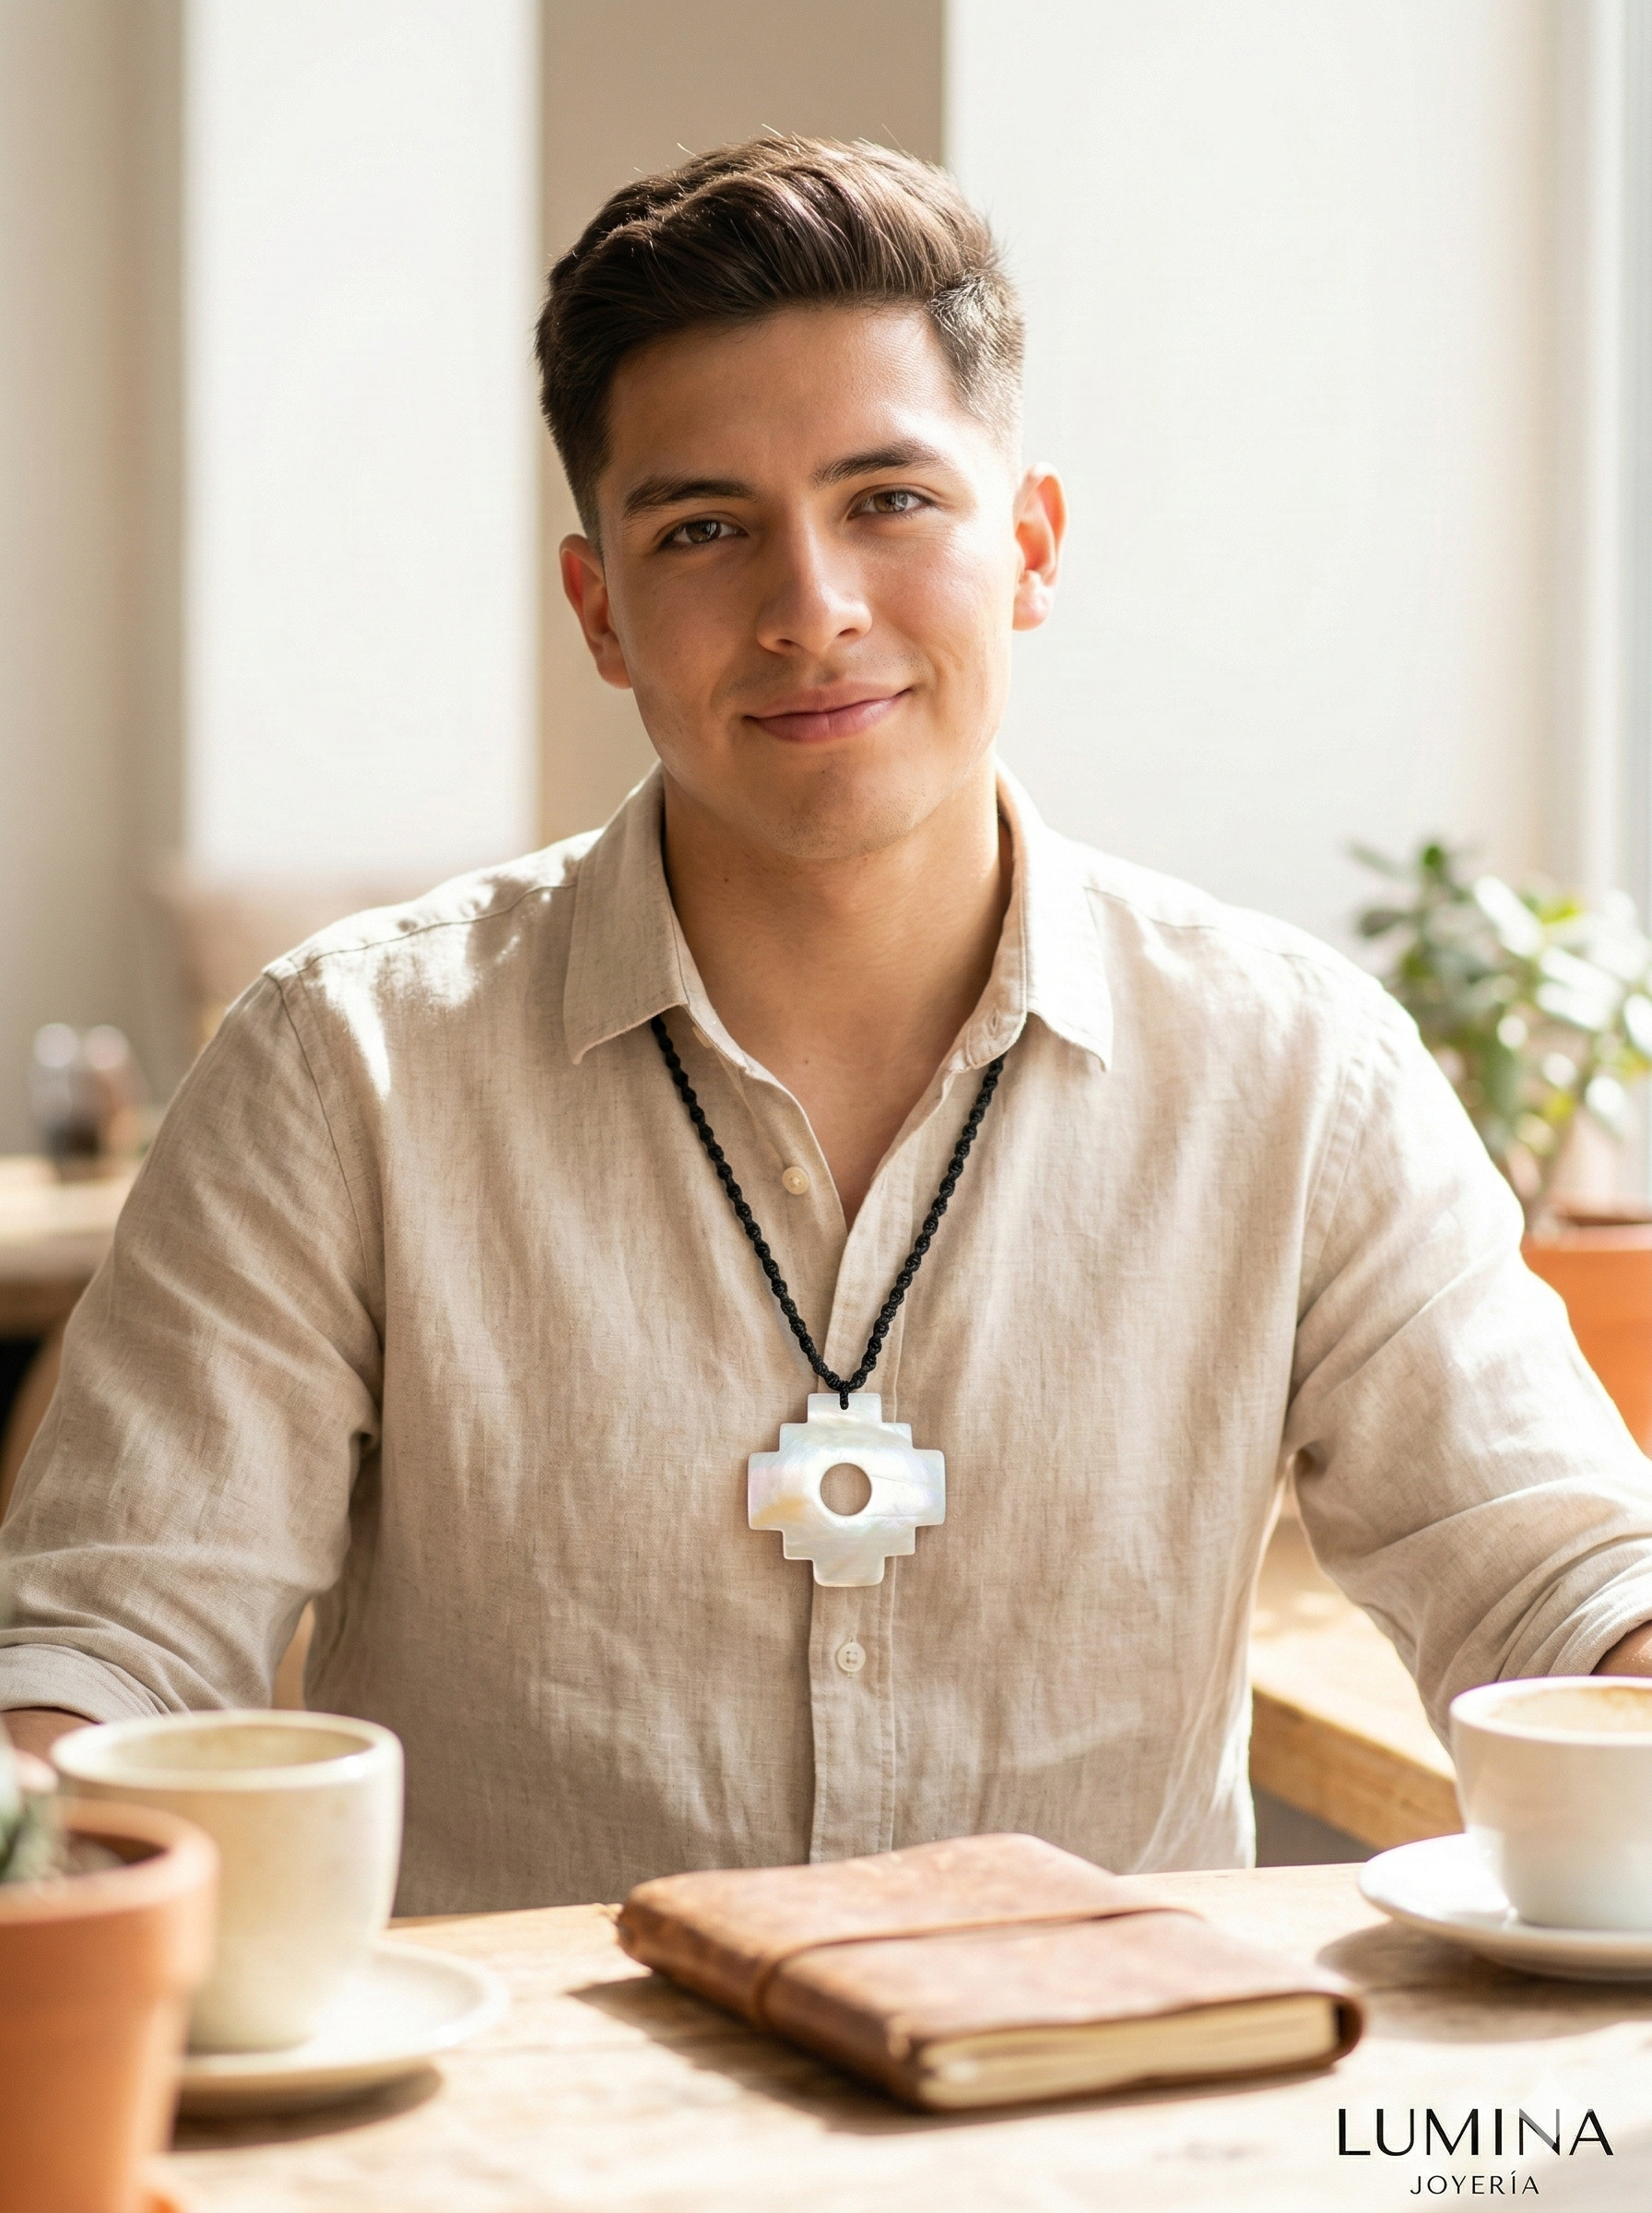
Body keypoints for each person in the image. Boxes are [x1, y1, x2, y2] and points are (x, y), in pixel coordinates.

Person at [5, 138, 1652, 1914]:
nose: (812, 609)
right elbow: (110, 1656)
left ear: (1027, 546)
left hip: (1105, 2137)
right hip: (524, 2165)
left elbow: (1560, 1588)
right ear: (602, 612)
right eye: (704, 530)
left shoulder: (1297, 1071)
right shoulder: (343, 1072)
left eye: (891, 501)